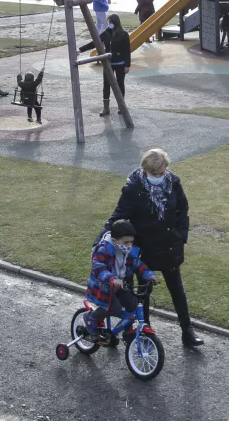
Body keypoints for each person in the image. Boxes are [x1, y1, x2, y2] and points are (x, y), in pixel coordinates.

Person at [109, 148, 204, 348]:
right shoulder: (134, 188)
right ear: (145, 171)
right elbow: (118, 215)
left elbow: (182, 209)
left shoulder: (173, 182)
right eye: (154, 174)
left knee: (177, 290)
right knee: (143, 294)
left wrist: (181, 236)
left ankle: (187, 332)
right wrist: (105, 237)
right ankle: (144, 334)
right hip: (146, 249)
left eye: (162, 173)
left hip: (169, 246)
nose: (159, 177)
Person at [84, 219, 157, 344]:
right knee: (114, 309)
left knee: (132, 304)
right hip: (103, 287)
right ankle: (91, 318)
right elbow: (98, 267)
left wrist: (148, 274)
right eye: (126, 242)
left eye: (131, 242)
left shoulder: (127, 250)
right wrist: (111, 278)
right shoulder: (104, 249)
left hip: (121, 285)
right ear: (115, 241)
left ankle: (126, 332)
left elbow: (136, 263)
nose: (129, 245)